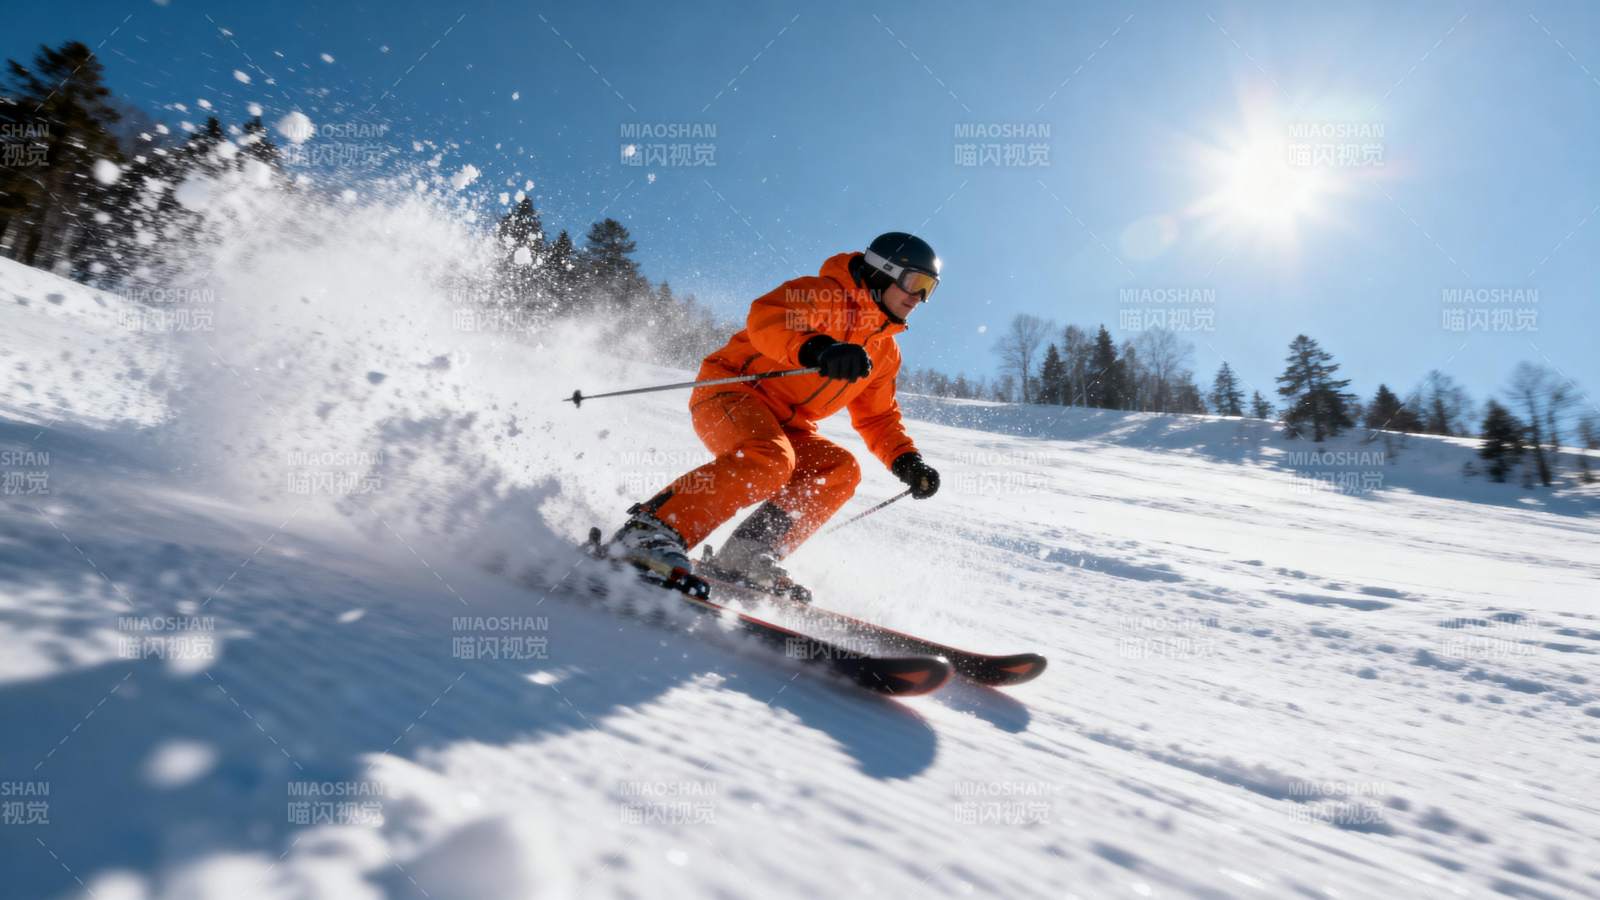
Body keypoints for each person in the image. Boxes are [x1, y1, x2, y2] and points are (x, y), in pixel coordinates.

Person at [611, 231, 943, 593]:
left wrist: (906, 461)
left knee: (839, 470)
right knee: (770, 458)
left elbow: (878, 417)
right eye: (916, 283)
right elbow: (767, 319)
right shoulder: (822, 294)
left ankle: (747, 554)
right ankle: (650, 531)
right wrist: (817, 349)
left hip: (790, 427)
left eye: (930, 289)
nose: (919, 298)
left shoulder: (884, 353)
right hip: (732, 392)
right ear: (883, 271)